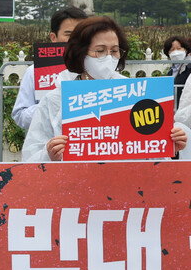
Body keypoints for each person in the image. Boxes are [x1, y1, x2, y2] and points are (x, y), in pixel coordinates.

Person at [22, 16, 188, 162]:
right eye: (100, 51)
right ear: (80, 53)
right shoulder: (56, 100)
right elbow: (30, 158)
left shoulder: (136, 95)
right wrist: (48, 154)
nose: (108, 57)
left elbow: (150, 155)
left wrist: (169, 144)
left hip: (126, 190)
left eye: (114, 51)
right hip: (72, 190)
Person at [12, 7, 88, 130]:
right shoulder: (35, 71)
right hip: (47, 145)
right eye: (69, 34)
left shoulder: (96, 70)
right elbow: (20, 116)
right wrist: (53, 103)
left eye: (81, 34)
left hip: (86, 142)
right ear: (53, 37)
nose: (76, 40)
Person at [163, 35, 191, 106]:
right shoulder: (170, 71)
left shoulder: (189, 67)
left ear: (185, 50)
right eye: (172, 49)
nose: (176, 52)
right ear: (168, 53)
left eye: (179, 48)